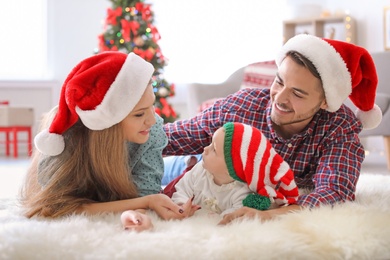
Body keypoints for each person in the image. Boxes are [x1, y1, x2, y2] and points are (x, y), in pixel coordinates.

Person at [162, 34, 382, 224]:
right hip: (194, 167)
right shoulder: (242, 106)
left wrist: (269, 216)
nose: (280, 98)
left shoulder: (339, 127)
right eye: (279, 81)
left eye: (297, 93)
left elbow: (335, 192)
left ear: (325, 102)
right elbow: (176, 136)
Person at [19, 52, 189, 220]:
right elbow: (56, 208)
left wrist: (147, 201)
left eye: (152, 106)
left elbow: (143, 196)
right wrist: (147, 202)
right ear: (108, 122)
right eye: (139, 114)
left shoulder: (152, 131)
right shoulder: (67, 139)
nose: (152, 120)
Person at [171, 122, 299, 217]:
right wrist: (182, 205)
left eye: (214, 149)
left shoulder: (242, 193)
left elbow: (232, 218)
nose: (205, 149)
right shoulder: (199, 170)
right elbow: (182, 188)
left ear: (232, 169)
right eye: (210, 144)